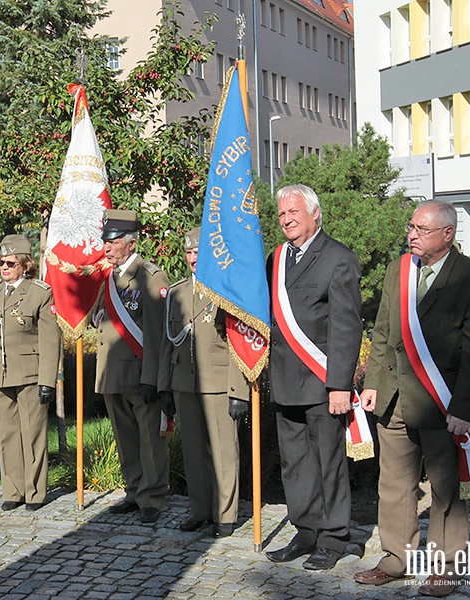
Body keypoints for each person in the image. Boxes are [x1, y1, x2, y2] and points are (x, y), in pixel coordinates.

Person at [354, 200, 470, 596]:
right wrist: (372, 384)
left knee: (445, 489)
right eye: (411, 227)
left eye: (421, 229)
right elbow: (383, 330)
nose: (411, 235)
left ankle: (446, 565)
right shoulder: (398, 271)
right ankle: (396, 559)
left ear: (447, 234)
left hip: (443, 403)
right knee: (395, 485)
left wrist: (465, 409)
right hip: (394, 399)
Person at [265, 185, 362, 571]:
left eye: (293, 212)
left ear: (314, 214)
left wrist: (339, 384)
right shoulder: (277, 258)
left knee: (328, 462)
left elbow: (346, 327)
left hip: (322, 382)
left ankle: (334, 536)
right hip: (286, 380)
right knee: (295, 463)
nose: (286, 219)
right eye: (281, 214)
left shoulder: (338, 259)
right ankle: (305, 530)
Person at [158, 226, 249, 538]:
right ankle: (200, 510)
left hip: (219, 382)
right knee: (194, 450)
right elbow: (166, 343)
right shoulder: (177, 293)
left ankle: (225, 514)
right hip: (185, 382)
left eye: (199, 252)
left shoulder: (227, 291)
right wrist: (164, 386)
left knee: (224, 451)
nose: (193, 258)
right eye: (189, 253)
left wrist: (239, 390)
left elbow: (239, 344)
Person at [93, 209, 170, 523]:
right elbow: (97, 318)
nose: (107, 247)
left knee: (150, 438)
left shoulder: (150, 276)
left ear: (131, 242)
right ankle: (134, 491)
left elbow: (156, 333)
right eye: (105, 241)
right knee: (125, 437)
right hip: (112, 372)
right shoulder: (109, 279)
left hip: (140, 372)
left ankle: (152, 497)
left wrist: (153, 378)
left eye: (112, 241)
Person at [0, 234, 61, 511]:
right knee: (7, 434)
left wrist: (48, 381)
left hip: (30, 374)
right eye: (1, 262)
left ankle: (35, 492)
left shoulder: (39, 292)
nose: (4, 268)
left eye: (10, 263)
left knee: (33, 433)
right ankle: (13, 490)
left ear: (25, 265)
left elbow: (49, 339)